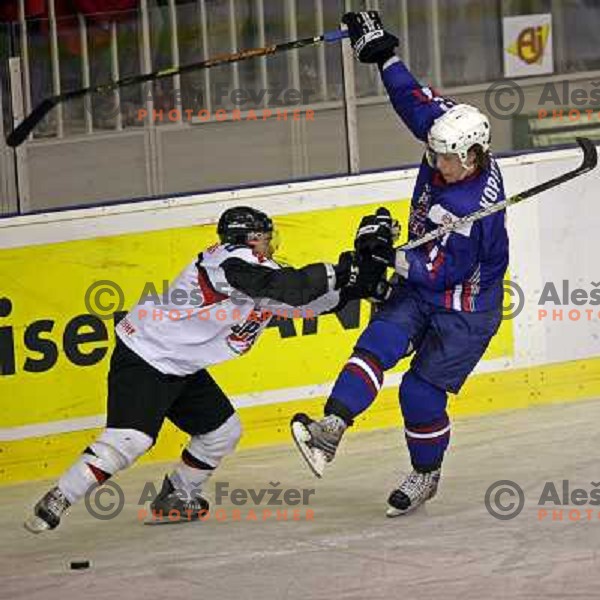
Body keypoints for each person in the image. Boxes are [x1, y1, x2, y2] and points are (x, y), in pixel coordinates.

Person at [24, 205, 384, 532]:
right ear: (252, 239)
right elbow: (285, 286)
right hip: (145, 355)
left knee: (222, 432)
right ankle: (59, 497)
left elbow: (303, 301)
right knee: (130, 441)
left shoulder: (259, 273)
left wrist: (358, 285)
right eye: (267, 238)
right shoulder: (227, 261)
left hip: (181, 365)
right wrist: (341, 271)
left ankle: (177, 496)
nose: (272, 245)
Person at [291, 11, 509, 517]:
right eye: (434, 154)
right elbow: (416, 103)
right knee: (378, 342)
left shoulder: (470, 209)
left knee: (419, 394)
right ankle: (330, 430)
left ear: (473, 158)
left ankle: (425, 474)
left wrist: (387, 256)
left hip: (465, 309)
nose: (435, 164)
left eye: (446, 161)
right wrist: (384, 55)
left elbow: (442, 272)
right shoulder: (451, 139)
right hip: (424, 280)